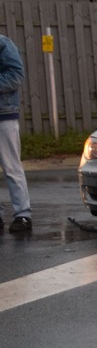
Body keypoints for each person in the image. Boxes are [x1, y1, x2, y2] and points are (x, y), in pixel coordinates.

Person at [0, 33, 32, 233]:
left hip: (4, 116)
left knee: (11, 168)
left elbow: (16, 75)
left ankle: (23, 215)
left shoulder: (2, 43)